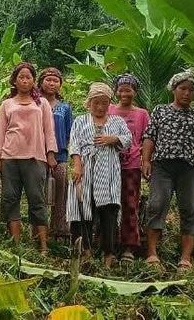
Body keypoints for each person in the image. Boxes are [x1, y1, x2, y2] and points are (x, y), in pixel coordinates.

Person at [142, 69, 194, 270]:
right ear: (174, 89)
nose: (187, 93)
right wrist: (146, 161)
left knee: (190, 210)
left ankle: (185, 259)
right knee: (157, 205)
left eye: (191, 90)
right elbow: (150, 137)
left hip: (190, 169)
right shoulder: (160, 111)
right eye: (183, 88)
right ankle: (152, 254)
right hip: (162, 166)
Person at [0, 62, 58, 254]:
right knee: (10, 198)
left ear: (33, 81)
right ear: (14, 80)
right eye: (21, 77)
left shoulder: (42, 103)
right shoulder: (7, 104)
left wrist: (50, 154)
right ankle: (16, 244)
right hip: (10, 157)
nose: (25, 80)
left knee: (37, 199)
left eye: (28, 77)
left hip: (35, 157)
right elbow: (0, 132)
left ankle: (43, 245)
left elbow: (49, 130)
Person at [67, 82, 132, 268]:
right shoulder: (80, 121)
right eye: (96, 103)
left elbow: (128, 139)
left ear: (109, 103)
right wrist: (77, 165)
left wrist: (113, 139)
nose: (100, 107)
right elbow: (74, 143)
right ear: (89, 103)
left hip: (108, 168)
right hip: (85, 168)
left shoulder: (117, 122)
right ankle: (84, 250)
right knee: (82, 207)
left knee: (108, 209)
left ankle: (109, 254)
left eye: (104, 103)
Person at [108, 74, 150, 262]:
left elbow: (147, 140)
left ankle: (129, 247)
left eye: (128, 89)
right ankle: (107, 242)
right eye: (121, 89)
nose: (124, 93)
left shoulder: (142, 114)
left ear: (135, 91)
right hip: (108, 163)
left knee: (130, 204)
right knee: (107, 203)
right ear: (116, 91)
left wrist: (148, 161)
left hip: (131, 164)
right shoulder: (108, 110)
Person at [38, 67, 73, 241]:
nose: (51, 83)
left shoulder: (65, 108)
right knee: (39, 195)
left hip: (60, 157)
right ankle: (39, 231)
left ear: (60, 84)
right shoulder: (34, 104)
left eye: (55, 80)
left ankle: (59, 231)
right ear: (41, 82)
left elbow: (69, 133)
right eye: (48, 80)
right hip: (37, 156)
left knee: (61, 193)